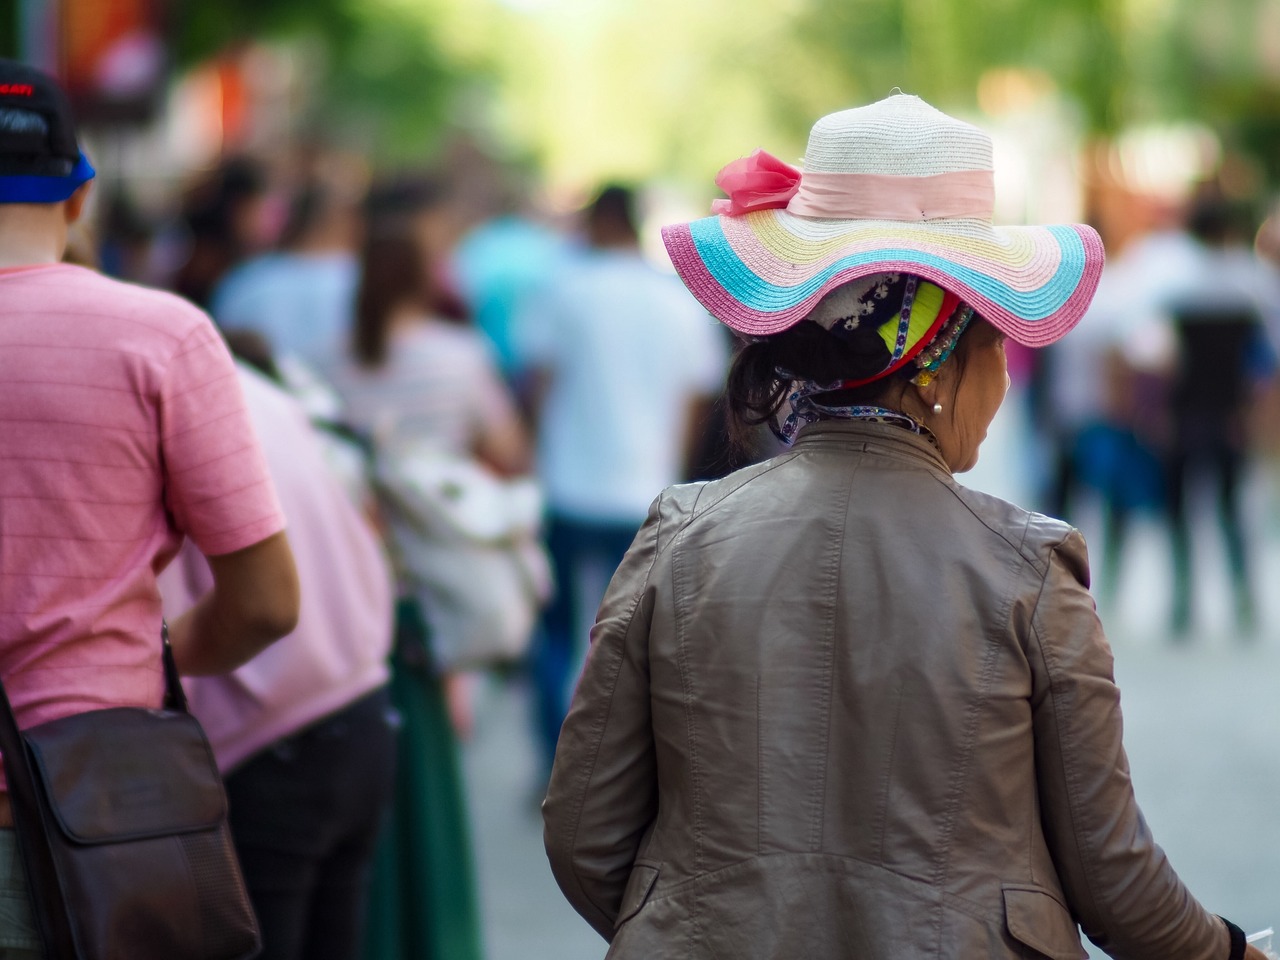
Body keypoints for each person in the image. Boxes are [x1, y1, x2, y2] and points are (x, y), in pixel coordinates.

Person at [542, 94, 1266, 960]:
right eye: (994, 344)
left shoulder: (678, 535)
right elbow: (1114, 879)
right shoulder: (1028, 570)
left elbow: (585, 834)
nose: (1004, 380)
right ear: (933, 369)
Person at [0, 60, 299, 953]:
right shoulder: (161, 339)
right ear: (80, 194)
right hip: (91, 822)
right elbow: (268, 603)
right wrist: (149, 654)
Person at [158, 361, 398, 960]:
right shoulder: (254, 388)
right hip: (361, 700)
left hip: (266, 738)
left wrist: (145, 656)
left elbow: (253, 610)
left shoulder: (154, 400)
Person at [515, 184, 727, 779]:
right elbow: (696, 400)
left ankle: (551, 761)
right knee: (635, 640)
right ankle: (616, 770)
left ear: (598, 221)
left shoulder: (563, 291)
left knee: (556, 632)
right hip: (645, 493)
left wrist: (538, 450)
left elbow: (537, 383)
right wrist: (675, 472)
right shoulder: (675, 300)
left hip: (565, 486)